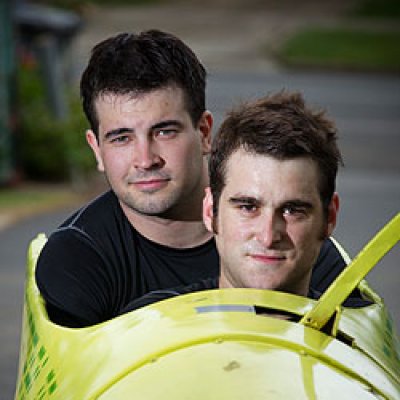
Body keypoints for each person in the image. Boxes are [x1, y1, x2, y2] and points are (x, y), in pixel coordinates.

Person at [36, 31, 348, 328]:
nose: (145, 160)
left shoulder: (293, 248)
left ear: (203, 132)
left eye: (164, 132)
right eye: (121, 138)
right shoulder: (77, 259)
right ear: (97, 149)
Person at [121, 91, 369, 312]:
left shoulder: (356, 342)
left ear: (330, 218)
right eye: (248, 207)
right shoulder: (148, 323)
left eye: (292, 210)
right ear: (210, 211)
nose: (268, 236)